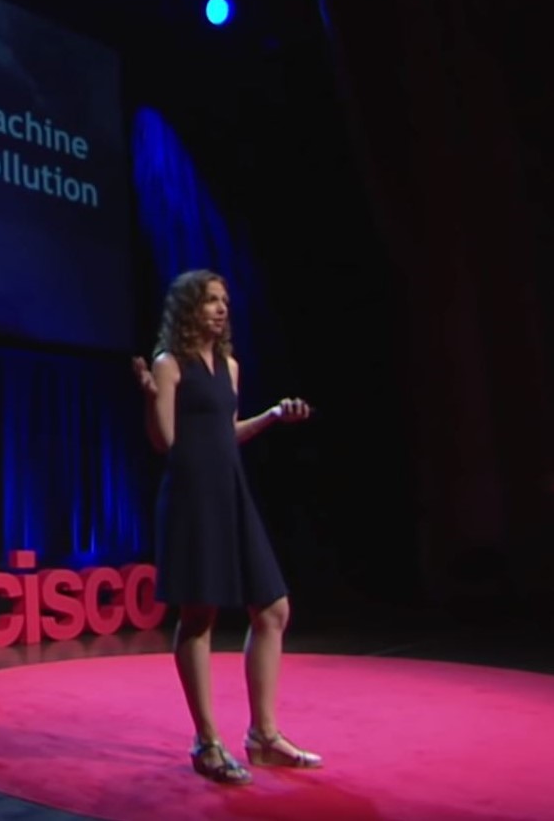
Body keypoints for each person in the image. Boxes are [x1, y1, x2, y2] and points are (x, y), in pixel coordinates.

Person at [132, 269, 322, 785]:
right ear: (189, 308)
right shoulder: (170, 363)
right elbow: (167, 441)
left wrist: (271, 417)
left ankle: (263, 736)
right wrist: (152, 396)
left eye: (225, 301)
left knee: (274, 609)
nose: (221, 309)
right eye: (211, 300)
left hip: (232, 494)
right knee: (198, 617)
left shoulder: (230, 368)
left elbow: (224, 432)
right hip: (193, 498)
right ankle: (207, 742)